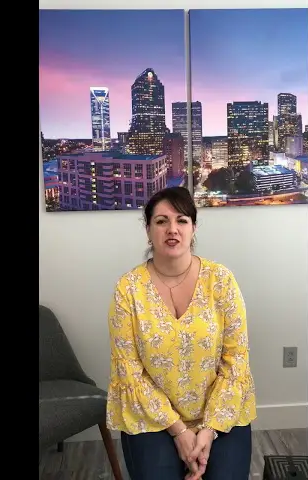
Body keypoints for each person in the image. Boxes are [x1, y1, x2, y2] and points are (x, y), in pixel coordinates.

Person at [105, 186, 257, 480]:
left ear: (193, 228)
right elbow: (129, 372)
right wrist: (179, 431)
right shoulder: (128, 289)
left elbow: (236, 361)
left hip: (220, 411)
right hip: (152, 416)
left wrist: (208, 431)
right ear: (148, 230)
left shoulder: (221, 280)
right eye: (161, 221)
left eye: (182, 220)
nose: (172, 229)